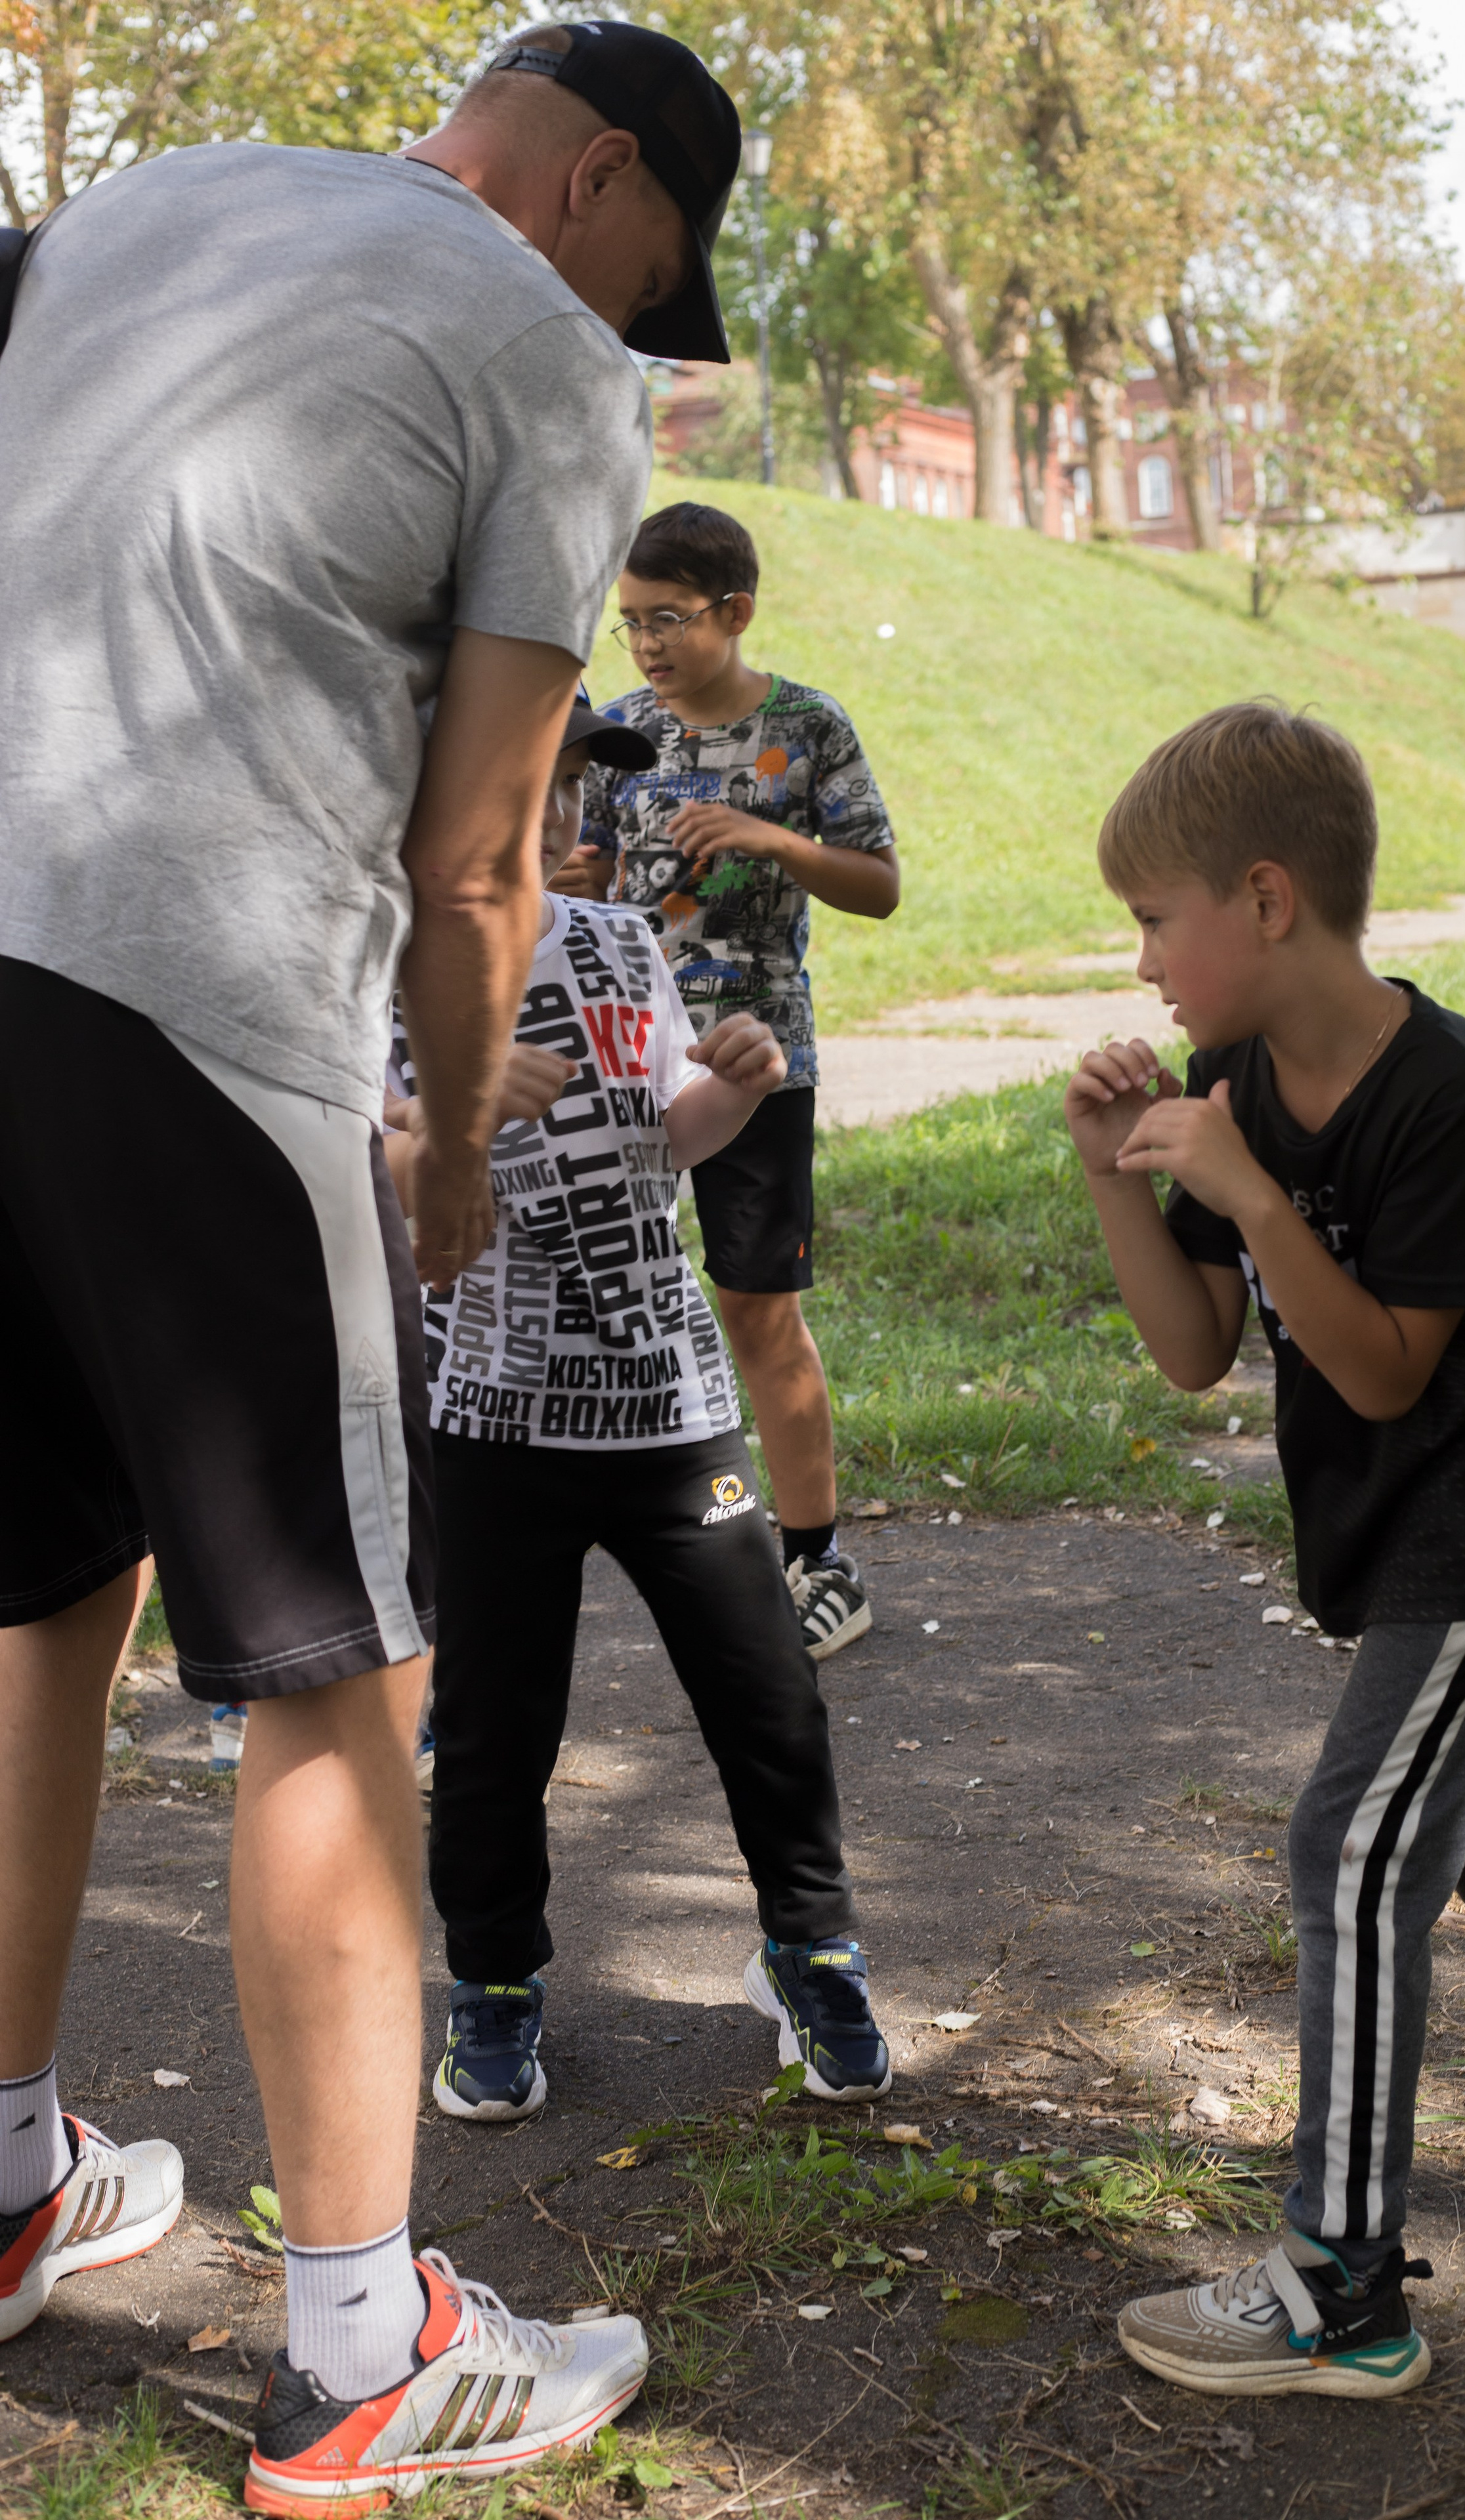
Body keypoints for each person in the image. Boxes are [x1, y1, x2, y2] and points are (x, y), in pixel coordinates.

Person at [0, 18, 742, 2508]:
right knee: (342, 1673)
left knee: (39, 1604)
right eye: (664, 280)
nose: (649, 338)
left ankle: (9, 2180)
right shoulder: (542, 351)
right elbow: (482, 862)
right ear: (599, 182)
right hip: (197, 1011)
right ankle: (355, 2352)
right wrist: (432, 1176)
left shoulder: (150, 206)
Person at [1063, 701, 1465, 2402]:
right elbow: (1193, 1348)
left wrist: (1256, 1200)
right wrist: (1122, 1176)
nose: (1144, 963)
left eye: (1152, 920)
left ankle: (1342, 2283)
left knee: (1354, 1850)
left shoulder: (1445, 1094)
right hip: (1408, 1532)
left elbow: (1391, 1363)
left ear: (1265, 901)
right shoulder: (1236, 1082)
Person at [383, 699, 891, 2124]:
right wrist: (455, 1120)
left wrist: (732, 1088)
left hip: (666, 1398)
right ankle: (492, 1988)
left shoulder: (614, 942)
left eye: (569, 795)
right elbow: (376, 1156)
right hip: (492, 1414)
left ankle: (812, 1952)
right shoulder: (389, 963)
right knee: (493, 1730)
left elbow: (662, 1131)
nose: (556, 822)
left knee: (765, 1697)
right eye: (522, 789)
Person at [568, 501, 900, 1661]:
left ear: (735, 611)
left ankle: (819, 1562)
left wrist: (776, 844)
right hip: (622, 1061)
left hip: (758, 1062)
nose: (648, 644)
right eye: (630, 624)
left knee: (760, 1310)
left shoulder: (807, 727)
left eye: (667, 619)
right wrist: (573, 872)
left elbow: (878, 884)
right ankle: (677, 1538)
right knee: (621, 1305)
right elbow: (589, 883)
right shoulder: (615, 731)